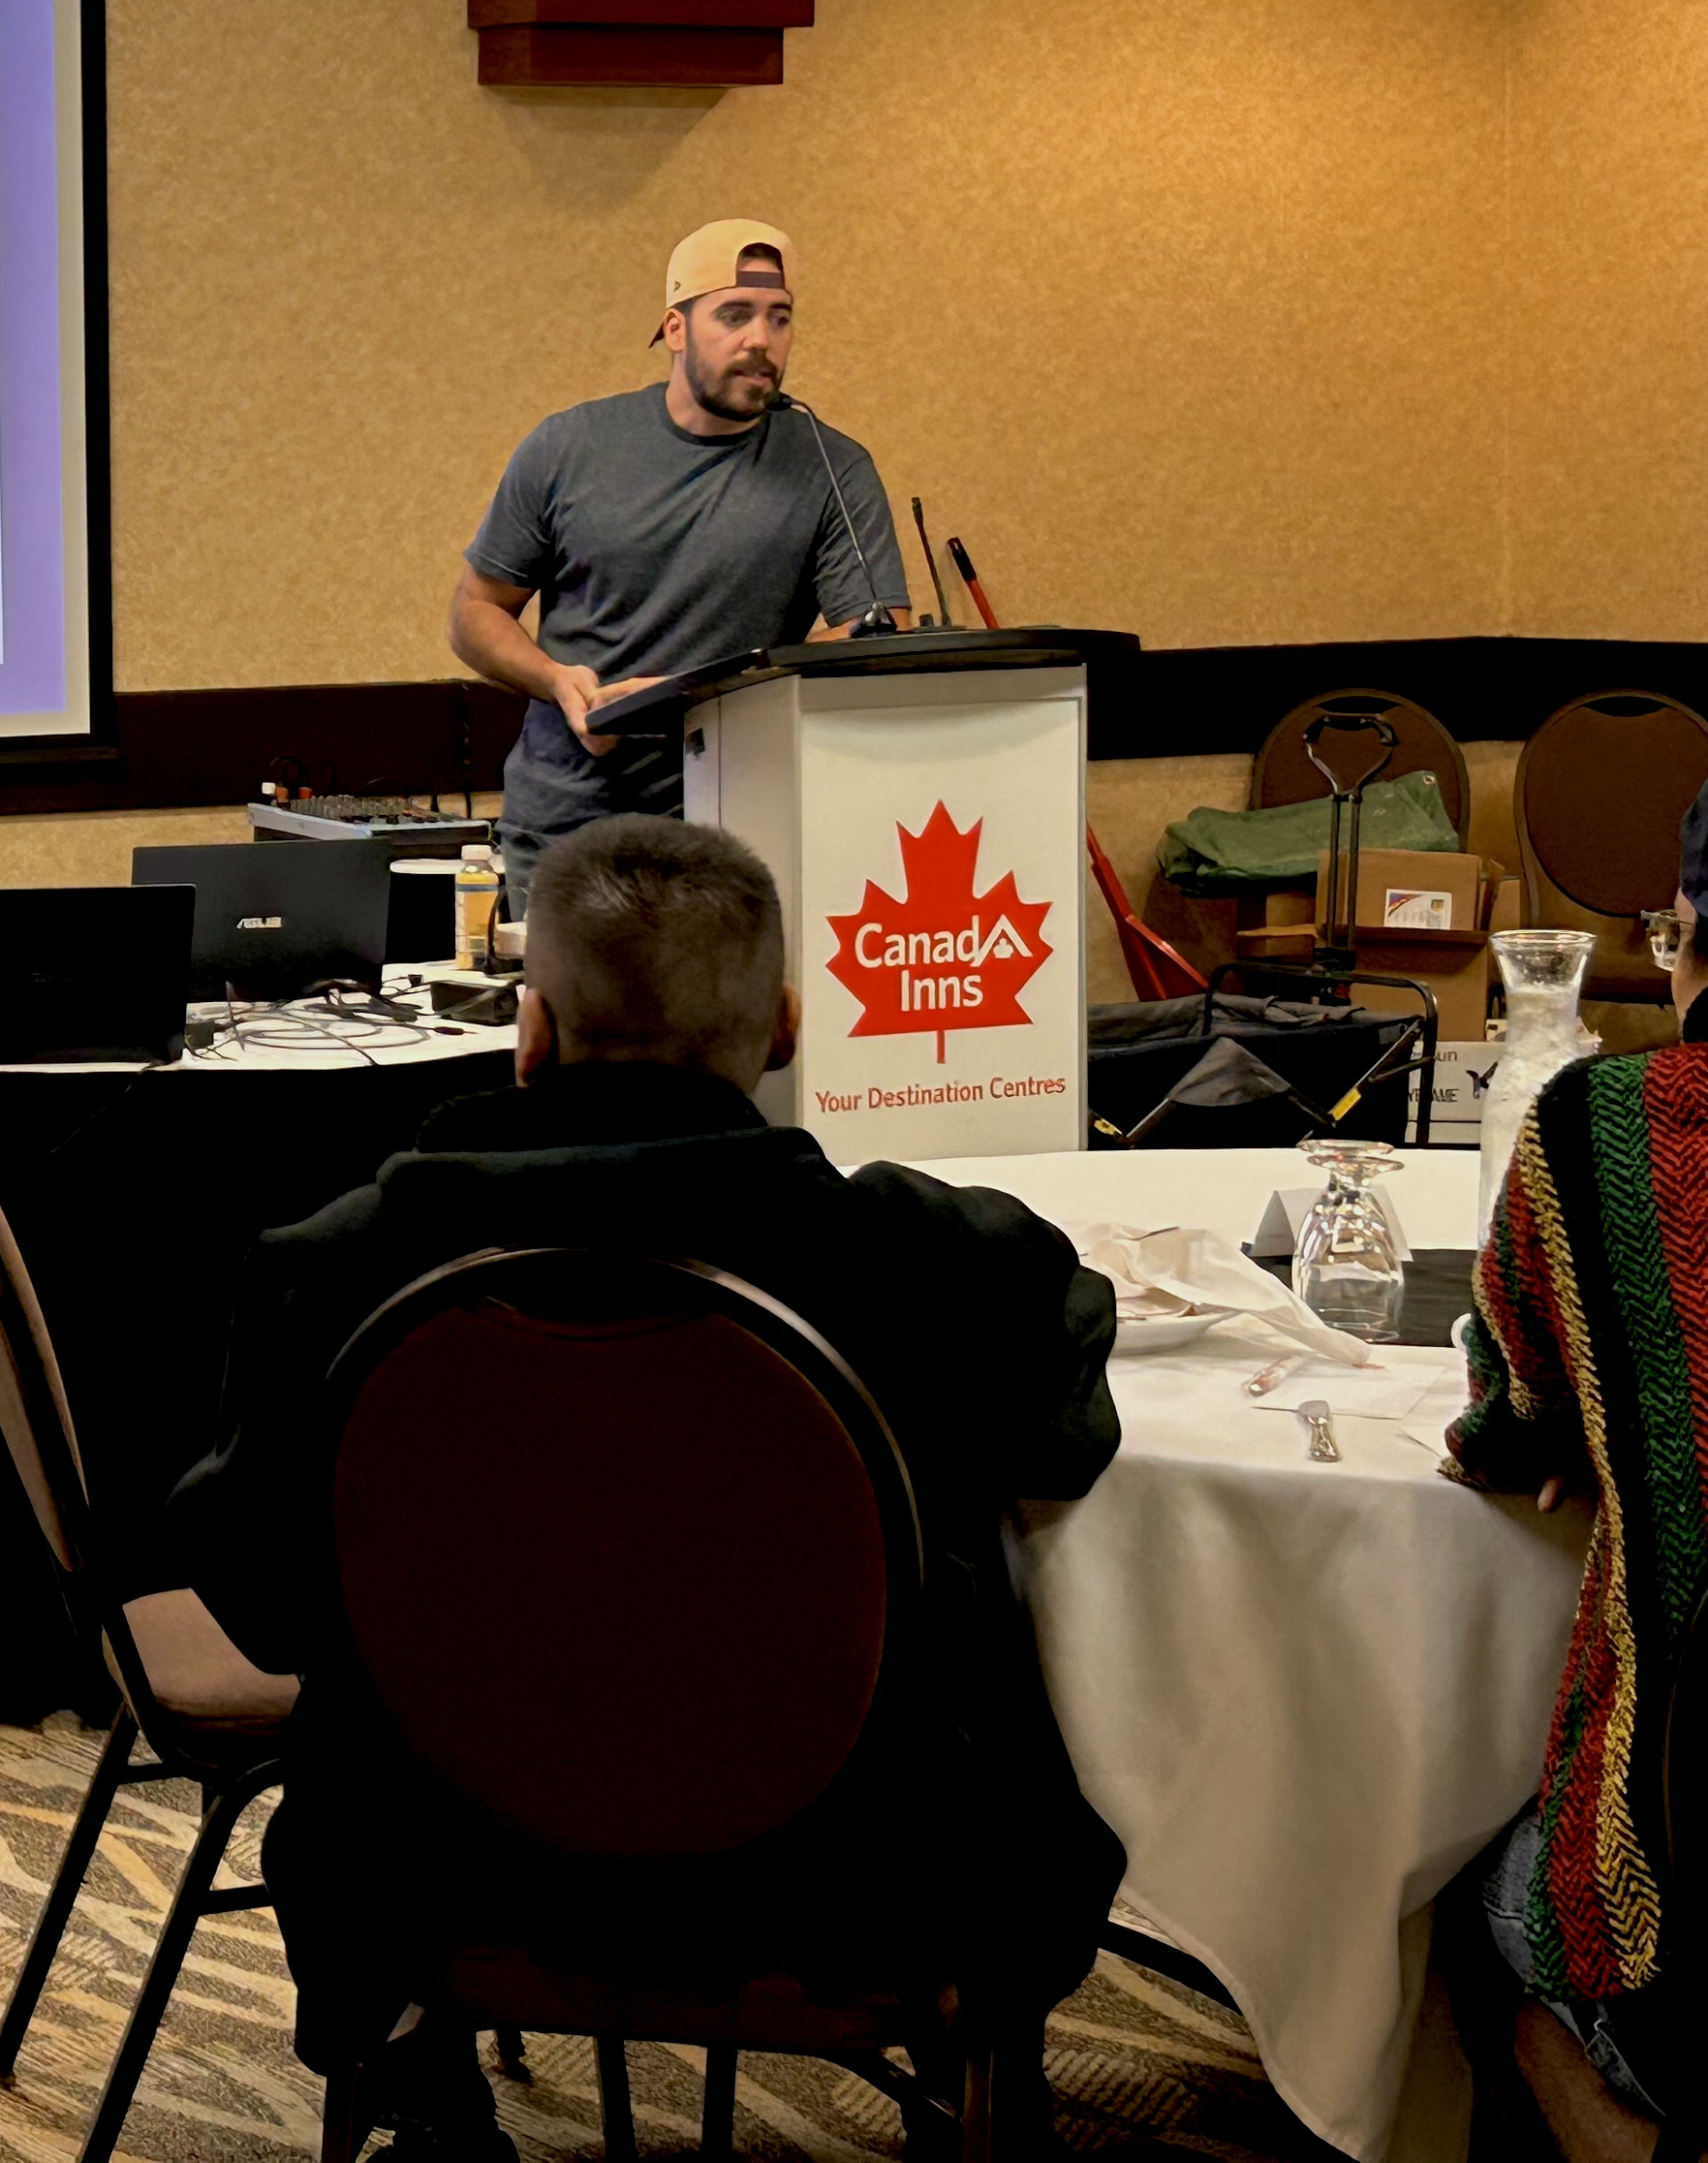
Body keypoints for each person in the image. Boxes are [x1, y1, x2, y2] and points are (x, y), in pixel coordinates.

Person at [167, 815, 1121, 2152]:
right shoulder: (926, 1260)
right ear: (788, 1026)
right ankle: (977, 2101)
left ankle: (416, 2087)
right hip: (862, 1874)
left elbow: (263, 1601)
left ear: (533, 1028)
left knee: (347, 1769)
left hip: (434, 1862)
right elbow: (1065, 1442)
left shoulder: (334, 1265)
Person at [1447, 781, 1708, 2130]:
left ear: (1690, 933)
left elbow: (1508, 1423)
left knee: (1431, 1866)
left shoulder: (1606, 1130)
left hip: (1688, 1943)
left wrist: (1601, 1431)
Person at [446, 221, 908, 915]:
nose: (761, 339)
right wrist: (558, 682)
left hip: (740, 828)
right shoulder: (570, 446)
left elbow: (877, 636)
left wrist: (704, 692)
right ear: (675, 329)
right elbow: (475, 612)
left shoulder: (831, 467)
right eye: (735, 315)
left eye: (780, 318)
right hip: (570, 829)